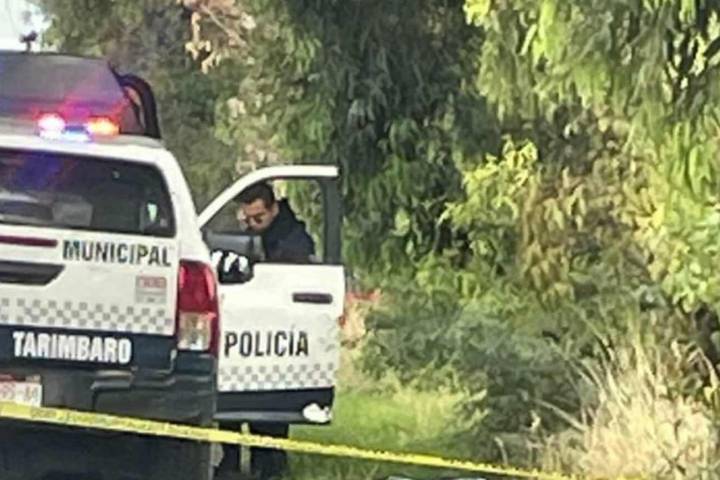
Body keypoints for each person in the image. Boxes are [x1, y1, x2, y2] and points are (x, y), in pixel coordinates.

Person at [215, 181, 314, 480]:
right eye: (247, 219)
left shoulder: (294, 240)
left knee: (270, 412)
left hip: (275, 335)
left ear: (274, 209)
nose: (252, 225)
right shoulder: (253, 237)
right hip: (244, 333)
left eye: (258, 218)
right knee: (231, 400)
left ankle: (269, 467)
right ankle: (231, 462)